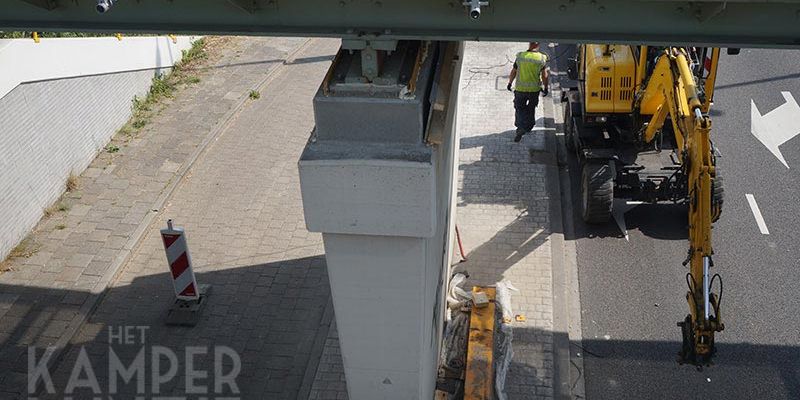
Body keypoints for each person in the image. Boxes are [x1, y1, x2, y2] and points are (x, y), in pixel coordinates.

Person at [507, 42, 549, 142]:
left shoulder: (521, 56)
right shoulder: (541, 58)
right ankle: (529, 126)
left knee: (519, 108)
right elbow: (544, 75)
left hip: (520, 90)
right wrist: (546, 87)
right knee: (531, 108)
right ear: (538, 45)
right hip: (534, 90)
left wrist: (510, 83)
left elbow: (514, 71)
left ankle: (520, 127)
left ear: (529, 45)